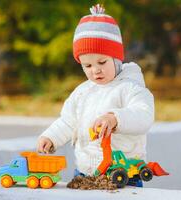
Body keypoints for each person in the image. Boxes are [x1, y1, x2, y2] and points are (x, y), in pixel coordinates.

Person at [37, 4, 154, 187]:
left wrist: (115, 118)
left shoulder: (130, 87)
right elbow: (68, 121)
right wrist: (51, 137)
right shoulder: (83, 92)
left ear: (116, 58)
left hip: (122, 173)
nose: (95, 70)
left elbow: (144, 115)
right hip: (85, 173)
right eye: (87, 66)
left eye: (102, 62)